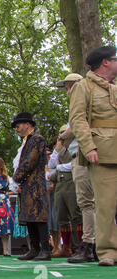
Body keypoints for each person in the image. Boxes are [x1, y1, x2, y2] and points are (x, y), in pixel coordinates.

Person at [69, 45, 117, 266]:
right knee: (105, 205)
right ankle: (108, 252)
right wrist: (88, 147)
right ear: (105, 62)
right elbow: (77, 119)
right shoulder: (84, 86)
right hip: (103, 151)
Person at [56, 73, 98, 263]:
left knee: (87, 203)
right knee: (93, 203)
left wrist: (62, 137)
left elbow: (76, 124)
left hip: (84, 154)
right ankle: (99, 245)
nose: (67, 91)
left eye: (67, 86)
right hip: (82, 154)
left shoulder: (83, 99)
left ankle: (90, 245)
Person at [11, 112, 51, 261]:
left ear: (28, 124)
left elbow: (29, 162)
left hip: (35, 183)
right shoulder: (26, 141)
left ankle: (45, 250)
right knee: (29, 217)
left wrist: (15, 179)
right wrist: (18, 182)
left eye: (18, 125)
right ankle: (34, 249)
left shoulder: (37, 139)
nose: (16, 128)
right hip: (27, 183)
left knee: (39, 217)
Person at [48, 125, 82, 257]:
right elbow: (51, 165)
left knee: (76, 216)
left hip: (71, 183)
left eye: (63, 134)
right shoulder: (60, 150)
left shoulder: (76, 146)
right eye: (60, 135)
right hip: (59, 185)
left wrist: (59, 167)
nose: (61, 137)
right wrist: (56, 150)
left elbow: (73, 164)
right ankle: (66, 247)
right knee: (61, 217)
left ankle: (80, 246)